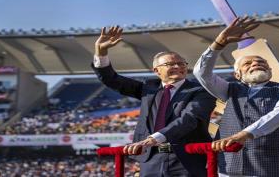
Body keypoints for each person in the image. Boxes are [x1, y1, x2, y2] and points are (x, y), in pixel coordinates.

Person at [92, 26, 216, 177]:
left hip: (187, 160)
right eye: (170, 64)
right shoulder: (149, 88)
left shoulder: (201, 91)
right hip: (151, 160)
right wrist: (101, 52)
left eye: (182, 63)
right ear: (156, 71)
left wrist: (153, 139)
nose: (177, 66)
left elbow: (189, 119)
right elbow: (112, 80)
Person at [193, 16, 279, 177]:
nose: (256, 63)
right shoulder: (229, 90)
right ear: (237, 74)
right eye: (248, 63)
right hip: (231, 168)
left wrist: (244, 135)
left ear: (270, 70)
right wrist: (219, 43)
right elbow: (201, 73)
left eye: (261, 62)